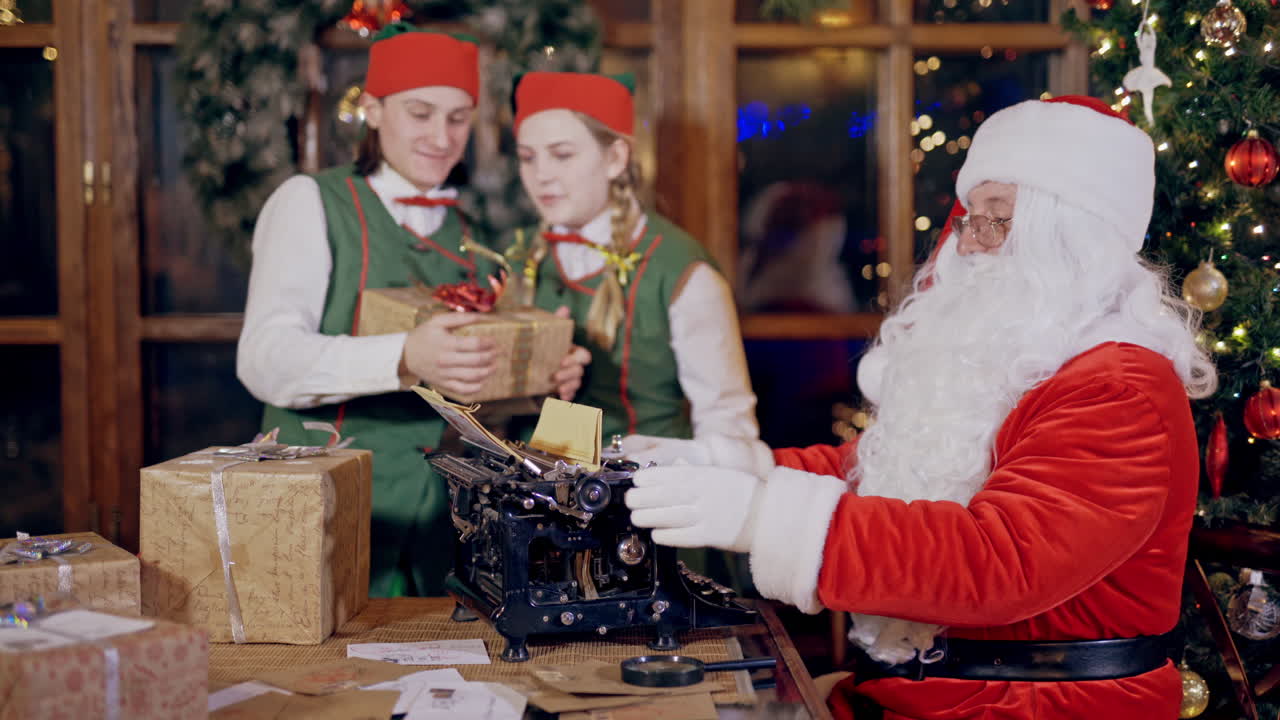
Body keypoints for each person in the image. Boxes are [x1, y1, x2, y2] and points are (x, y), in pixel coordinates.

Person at [624, 95, 1218, 719]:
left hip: (1041, 704)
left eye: (1001, 217)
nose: (971, 241)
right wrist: (723, 468)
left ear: (1073, 236)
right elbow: (872, 469)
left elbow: (998, 560)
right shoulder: (1017, 358)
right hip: (936, 692)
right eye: (970, 217)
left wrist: (762, 517)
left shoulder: (1119, 385)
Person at [237, 23, 588, 598]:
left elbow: (475, 394)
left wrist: (542, 378)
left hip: (443, 534)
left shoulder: (475, 235)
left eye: (458, 117)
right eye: (420, 113)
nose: (441, 136)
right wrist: (406, 356)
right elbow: (264, 362)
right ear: (372, 110)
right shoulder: (311, 203)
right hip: (328, 514)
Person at [507, 71, 772, 475]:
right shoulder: (520, 255)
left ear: (615, 158)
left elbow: (728, 429)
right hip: (536, 503)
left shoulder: (682, 272)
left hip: (642, 507)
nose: (541, 174)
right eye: (528, 157)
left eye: (562, 154)